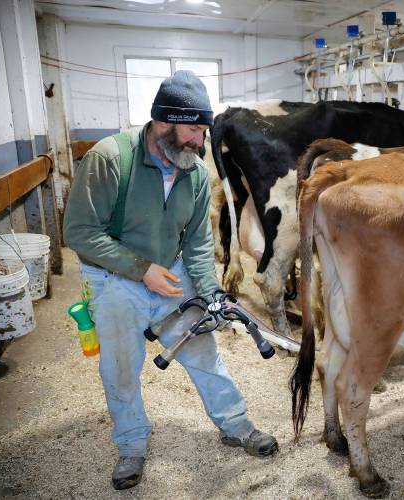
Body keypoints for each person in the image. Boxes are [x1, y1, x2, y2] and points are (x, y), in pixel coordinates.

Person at [63, 70, 278, 491]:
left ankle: (235, 424)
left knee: (204, 351)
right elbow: (79, 232)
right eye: (195, 129)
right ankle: (131, 445)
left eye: (203, 131)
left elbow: (198, 242)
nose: (201, 141)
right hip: (114, 279)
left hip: (172, 273)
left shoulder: (195, 174)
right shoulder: (110, 160)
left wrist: (212, 292)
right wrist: (141, 270)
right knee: (120, 367)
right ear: (165, 121)